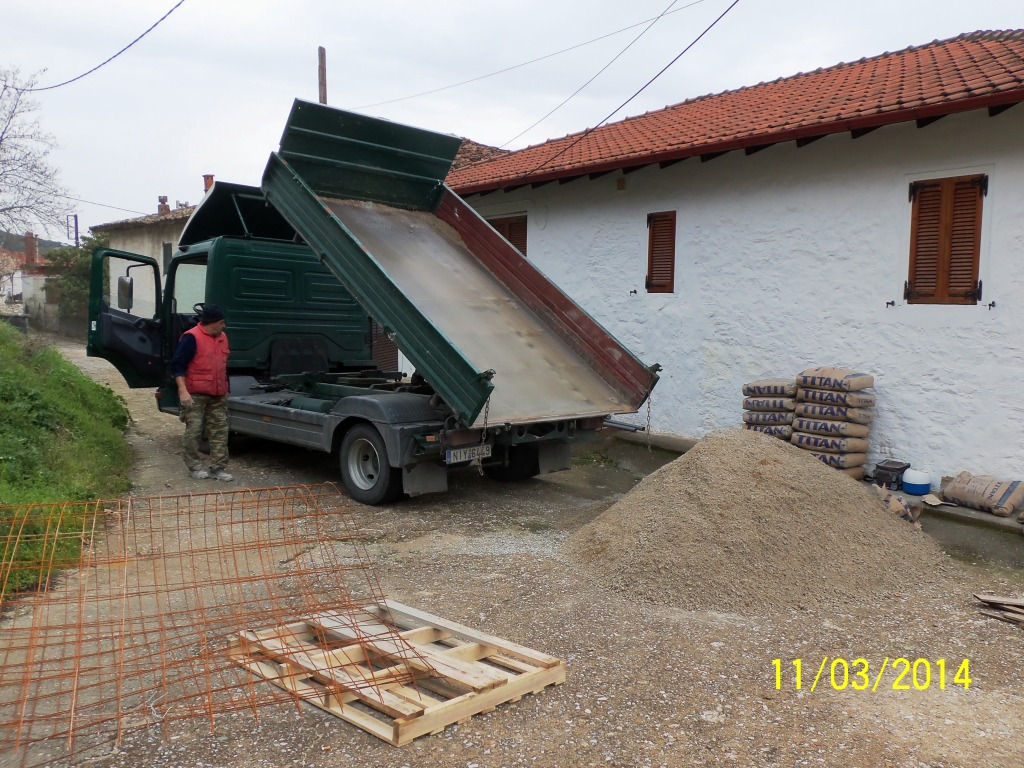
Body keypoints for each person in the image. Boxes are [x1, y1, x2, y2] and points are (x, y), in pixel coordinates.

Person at [170, 304, 233, 481]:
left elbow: (223, 365)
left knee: (220, 431)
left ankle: (218, 468)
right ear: (211, 323)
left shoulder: (223, 337)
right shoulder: (191, 337)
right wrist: (183, 391)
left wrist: (226, 388)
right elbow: (177, 366)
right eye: (221, 322)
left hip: (218, 394)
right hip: (195, 394)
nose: (224, 326)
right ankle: (195, 467)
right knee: (194, 431)